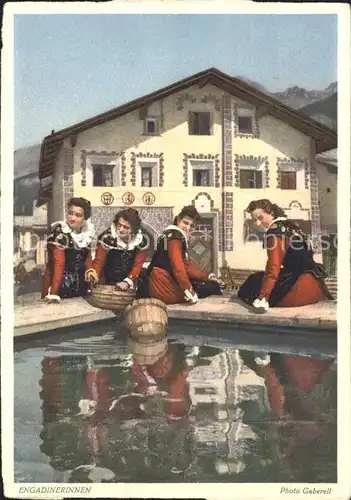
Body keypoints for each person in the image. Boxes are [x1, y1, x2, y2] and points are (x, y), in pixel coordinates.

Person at [237, 199, 332, 312]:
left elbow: (273, 268)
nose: (257, 223)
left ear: (271, 213)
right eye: (254, 220)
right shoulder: (292, 226)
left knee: (252, 282)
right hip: (314, 283)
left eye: (260, 217)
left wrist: (263, 297)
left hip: (297, 287)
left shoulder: (275, 233)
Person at [146, 205, 222, 304]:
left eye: (192, 226)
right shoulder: (175, 237)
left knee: (208, 285)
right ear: (178, 220)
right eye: (185, 223)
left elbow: (186, 268)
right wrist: (189, 290)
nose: (188, 228)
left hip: (161, 282)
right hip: (163, 285)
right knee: (211, 288)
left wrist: (207, 276)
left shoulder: (171, 235)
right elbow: (178, 268)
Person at [41, 197, 95, 302]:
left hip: (81, 288)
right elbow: (59, 263)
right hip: (59, 287)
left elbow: (87, 256)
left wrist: (90, 271)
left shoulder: (86, 233)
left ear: (85, 218)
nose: (72, 218)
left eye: (78, 215)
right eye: (70, 213)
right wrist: (54, 293)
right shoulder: (60, 232)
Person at [86, 208, 148, 291]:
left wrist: (128, 281)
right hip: (108, 282)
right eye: (119, 225)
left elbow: (138, 266)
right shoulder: (107, 237)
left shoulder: (140, 241)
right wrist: (94, 274)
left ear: (133, 230)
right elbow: (99, 261)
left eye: (126, 227)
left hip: (130, 282)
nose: (121, 229)